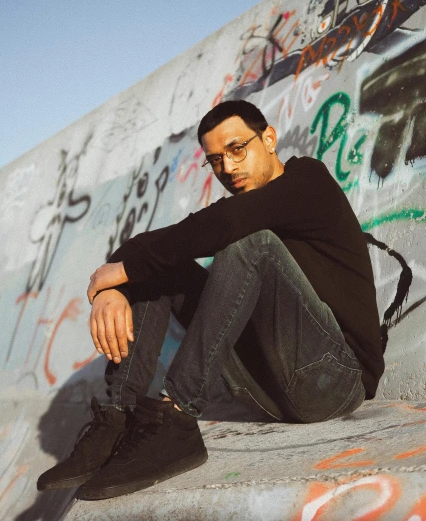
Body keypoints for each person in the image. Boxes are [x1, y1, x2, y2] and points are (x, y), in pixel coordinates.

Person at [37, 100, 384, 500]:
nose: (228, 168)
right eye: (216, 160)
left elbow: (224, 225)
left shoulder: (309, 181)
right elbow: (173, 238)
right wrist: (115, 283)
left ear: (269, 139)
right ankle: (119, 416)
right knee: (162, 267)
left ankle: (178, 418)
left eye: (237, 149)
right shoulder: (245, 206)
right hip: (268, 388)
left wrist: (126, 269)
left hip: (335, 383)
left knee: (251, 243)